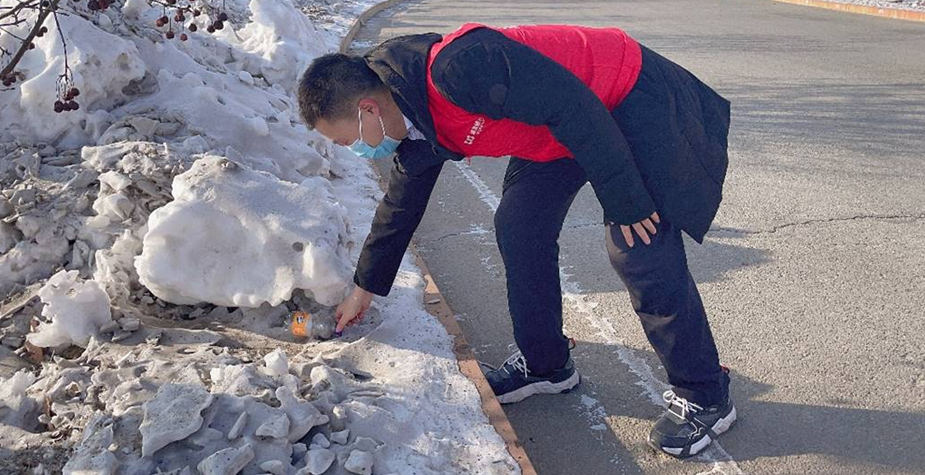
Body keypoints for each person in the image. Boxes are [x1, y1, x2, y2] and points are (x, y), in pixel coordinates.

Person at [297, 23, 735, 458]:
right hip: (559, 130)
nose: (352, 149)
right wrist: (364, 287)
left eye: (346, 140)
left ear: (368, 110)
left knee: (637, 246)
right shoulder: (414, 120)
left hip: (624, 95)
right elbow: (400, 205)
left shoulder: (458, 69)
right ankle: (546, 364)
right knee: (520, 226)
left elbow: (575, 106)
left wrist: (626, 200)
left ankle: (706, 393)